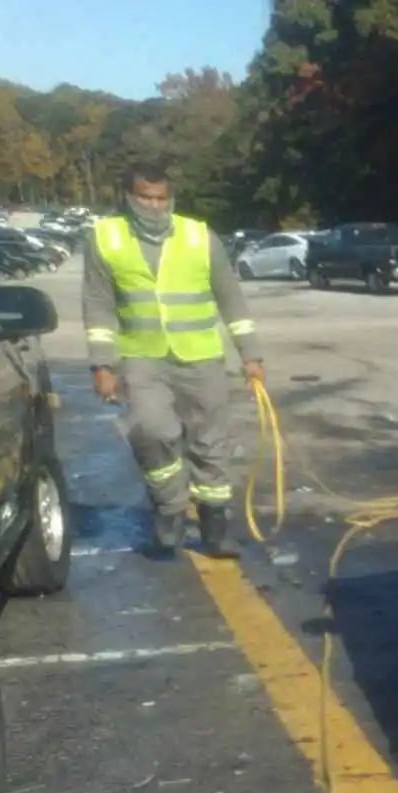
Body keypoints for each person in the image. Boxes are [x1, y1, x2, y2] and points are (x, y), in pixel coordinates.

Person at [82, 160, 264, 557]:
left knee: (210, 442)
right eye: (145, 197)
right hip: (142, 357)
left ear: (171, 197)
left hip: (201, 357)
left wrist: (249, 355)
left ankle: (215, 528)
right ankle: (169, 510)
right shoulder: (105, 237)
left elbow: (230, 297)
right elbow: (97, 303)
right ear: (129, 197)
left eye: (161, 198)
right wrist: (102, 364)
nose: (153, 206)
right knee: (152, 431)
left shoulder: (200, 236)